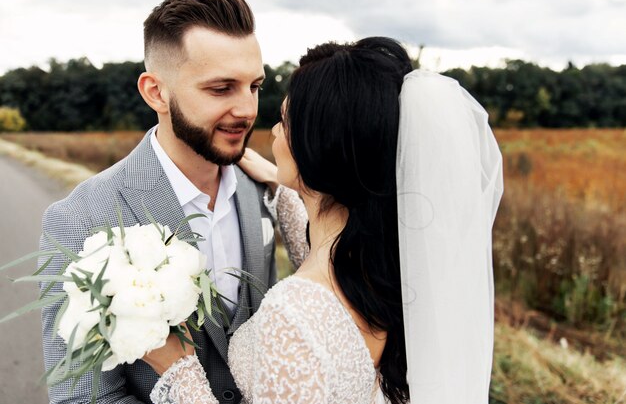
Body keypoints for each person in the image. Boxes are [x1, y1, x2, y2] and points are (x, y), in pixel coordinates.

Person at [142, 37, 504, 403]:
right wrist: (284, 192)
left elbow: (316, 306)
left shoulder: (294, 316)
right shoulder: (385, 269)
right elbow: (322, 264)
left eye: (284, 120)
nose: (273, 131)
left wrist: (179, 371)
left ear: (319, 145)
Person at [38, 0, 307, 403]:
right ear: (155, 93)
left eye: (254, 86)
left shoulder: (261, 190)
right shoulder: (80, 219)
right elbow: (83, 398)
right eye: (221, 89)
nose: (247, 110)